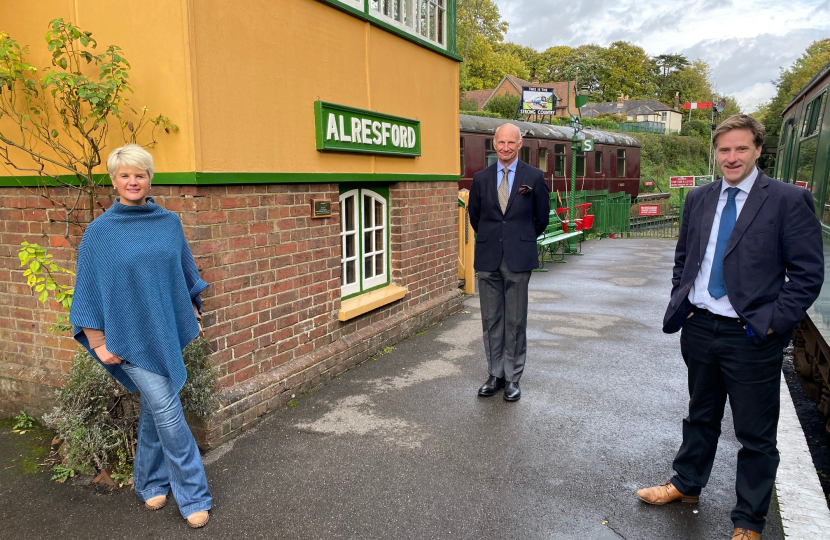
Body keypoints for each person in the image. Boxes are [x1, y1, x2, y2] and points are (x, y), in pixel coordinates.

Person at [637, 115, 824, 540]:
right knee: (700, 415)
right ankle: (686, 483)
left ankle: (748, 521)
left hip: (751, 334)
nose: (732, 157)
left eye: (741, 148)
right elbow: (685, 258)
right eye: (724, 150)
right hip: (700, 328)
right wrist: (681, 303)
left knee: (755, 434)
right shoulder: (699, 199)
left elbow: (808, 275)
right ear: (715, 153)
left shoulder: (786, 201)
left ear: (759, 150)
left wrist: (772, 324)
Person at [69, 144, 213, 529]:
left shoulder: (169, 222)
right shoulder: (99, 233)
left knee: (154, 409)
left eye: (140, 174)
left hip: (163, 331)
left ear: (150, 178)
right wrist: (99, 342)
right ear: (114, 181)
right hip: (126, 338)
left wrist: (193, 313)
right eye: (124, 175)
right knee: (168, 412)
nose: (133, 181)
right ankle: (195, 495)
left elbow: (184, 271)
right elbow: (88, 289)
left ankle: (149, 481)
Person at [468, 122, 551, 402]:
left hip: (519, 257)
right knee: (491, 319)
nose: (505, 147)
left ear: (520, 144)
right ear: (494, 143)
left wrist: (520, 238)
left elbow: (541, 218)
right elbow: (475, 217)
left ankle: (513, 377)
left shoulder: (535, 177)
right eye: (501, 142)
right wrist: (495, 237)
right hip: (488, 257)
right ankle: (495, 374)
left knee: (515, 321)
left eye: (511, 143)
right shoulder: (481, 178)